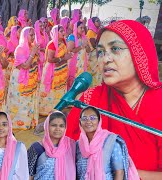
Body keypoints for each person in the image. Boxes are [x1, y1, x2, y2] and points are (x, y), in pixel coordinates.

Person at [66, 20, 162, 179]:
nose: (105, 59)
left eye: (115, 49)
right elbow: (68, 155)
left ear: (139, 52)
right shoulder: (91, 99)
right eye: (101, 52)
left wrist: (123, 174)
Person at [76, 106, 139, 179]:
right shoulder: (78, 145)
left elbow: (119, 172)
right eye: (84, 118)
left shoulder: (111, 141)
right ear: (80, 122)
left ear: (99, 121)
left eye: (92, 118)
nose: (88, 121)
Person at [6, 27, 40, 130]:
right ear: (25, 36)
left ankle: (29, 121)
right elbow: (25, 66)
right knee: (21, 100)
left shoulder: (32, 47)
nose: (33, 37)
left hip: (32, 78)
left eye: (34, 34)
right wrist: (33, 54)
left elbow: (37, 61)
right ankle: (19, 123)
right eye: (31, 35)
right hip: (20, 79)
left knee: (29, 99)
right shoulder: (20, 49)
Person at [27, 111, 76, 179]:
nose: (57, 129)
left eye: (61, 126)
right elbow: (28, 174)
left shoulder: (71, 146)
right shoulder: (36, 147)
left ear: (65, 128)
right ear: (47, 126)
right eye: (54, 125)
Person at [39, 25, 73, 116]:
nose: (63, 33)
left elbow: (65, 55)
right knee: (51, 91)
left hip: (62, 71)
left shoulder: (63, 42)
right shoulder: (52, 44)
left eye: (63, 31)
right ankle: (47, 111)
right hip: (53, 72)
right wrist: (63, 58)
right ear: (55, 33)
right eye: (61, 31)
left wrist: (68, 57)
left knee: (60, 90)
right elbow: (50, 59)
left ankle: (58, 109)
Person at [67, 21, 91, 89]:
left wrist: (86, 46)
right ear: (76, 28)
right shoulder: (72, 37)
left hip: (82, 64)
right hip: (74, 63)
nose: (83, 29)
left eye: (84, 27)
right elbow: (70, 50)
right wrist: (81, 46)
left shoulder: (84, 38)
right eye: (81, 27)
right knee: (73, 81)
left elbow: (88, 50)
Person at [86, 17, 102, 87]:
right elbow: (94, 44)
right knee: (93, 72)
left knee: (98, 72)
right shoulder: (90, 32)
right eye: (97, 21)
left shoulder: (98, 31)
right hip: (93, 55)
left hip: (98, 54)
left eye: (99, 20)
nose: (99, 22)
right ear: (93, 23)